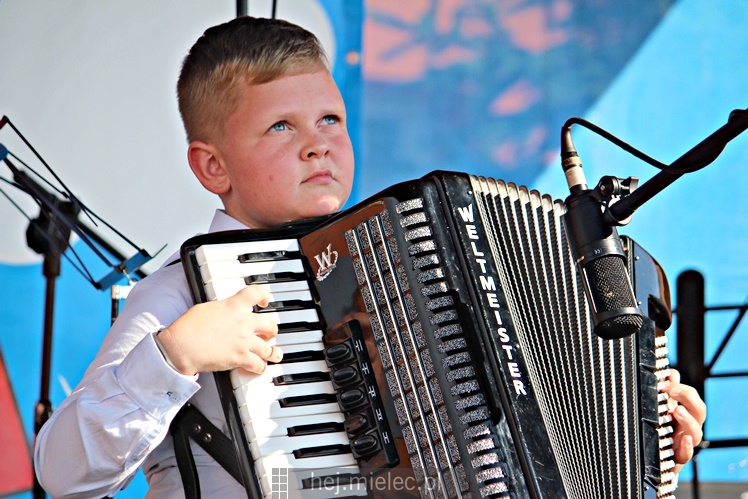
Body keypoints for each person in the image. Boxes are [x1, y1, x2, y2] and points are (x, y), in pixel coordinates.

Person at [33, 15, 706, 499]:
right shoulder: (184, 296)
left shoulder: (402, 261)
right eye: (280, 127)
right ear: (213, 167)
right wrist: (172, 357)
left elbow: (491, 456)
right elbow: (62, 471)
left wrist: (644, 446)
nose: (318, 144)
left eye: (330, 119)